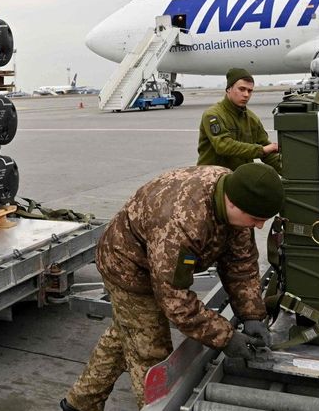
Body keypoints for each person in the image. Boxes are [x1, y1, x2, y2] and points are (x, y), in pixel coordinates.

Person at [62, 163, 284, 411]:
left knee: (128, 333)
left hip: (158, 260)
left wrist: (252, 314)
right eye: (256, 219)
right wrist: (226, 337)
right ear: (232, 203)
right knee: (150, 353)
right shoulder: (182, 221)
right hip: (129, 268)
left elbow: (240, 264)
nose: (259, 226)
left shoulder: (236, 195)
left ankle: (80, 403)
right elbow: (176, 301)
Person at [197, 67, 281, 173]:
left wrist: (291, 172)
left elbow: (268, 152)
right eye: (241, 89)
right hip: (212, 178)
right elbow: (223, 145)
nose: (246, 94)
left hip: (239, 179)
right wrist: (261, 150)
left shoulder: (252, 119)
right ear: (228, 89)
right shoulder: (213, 115)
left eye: (249, 91)